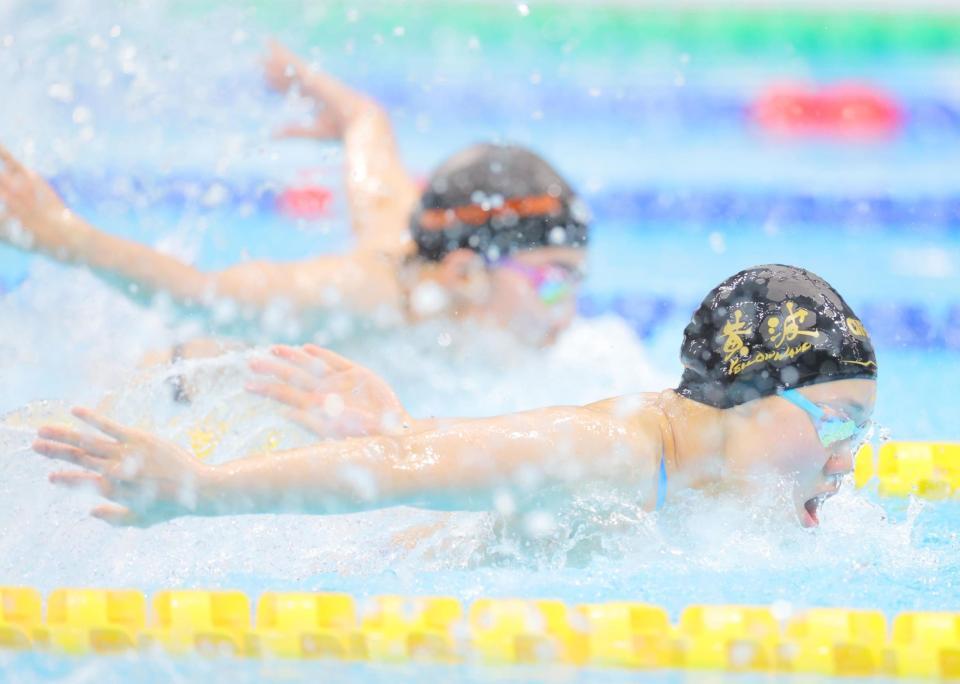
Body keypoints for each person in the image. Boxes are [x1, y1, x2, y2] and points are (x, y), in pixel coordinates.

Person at [32, 265, 876, 529]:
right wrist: (199, 493)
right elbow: (405, 471)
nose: (848, 457)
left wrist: (406, 426)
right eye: (839, 420)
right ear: (746, 398)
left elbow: (456, 459)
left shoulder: (698, 479)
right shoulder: (620, 450)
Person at [0, 42, 588, 347]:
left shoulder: (414, 243)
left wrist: (352, 110)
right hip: (181, 389)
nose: (569, 314)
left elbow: (372, 145)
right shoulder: (361, 293)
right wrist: (63, 237)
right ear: (465, 272)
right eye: (553, 281)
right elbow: (200, 295)